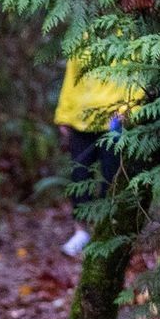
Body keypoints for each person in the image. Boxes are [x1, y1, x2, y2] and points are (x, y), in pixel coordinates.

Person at [53, 54, 133, 257]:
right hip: (82, 119)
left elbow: (136, 76)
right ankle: (80, 232)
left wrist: (129, 109)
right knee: (79, 176)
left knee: (111, 177)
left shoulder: (127, 35)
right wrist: (64, 115)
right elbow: (72, 77)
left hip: (114, 121)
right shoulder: (82, 37)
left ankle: (106, 232)